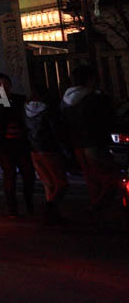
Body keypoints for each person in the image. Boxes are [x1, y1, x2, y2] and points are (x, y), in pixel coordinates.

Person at [60, 65, 122, 217]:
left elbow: (63, 125)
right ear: (91, 80)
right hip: (95, 144)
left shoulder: (65, 102)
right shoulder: (95, 99)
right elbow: (109, 121)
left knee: (92, 181)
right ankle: (97, 208)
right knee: (111, 179)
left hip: (77, 145)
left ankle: (99, 216)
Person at [0, 73, 35, 217]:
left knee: (28, 175)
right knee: (9, 176)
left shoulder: (20, 100)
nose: (3, 87)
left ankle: (29, 203)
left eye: (5, 83)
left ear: (10, 85)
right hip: (5, 147)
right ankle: (12, 207)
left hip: (22, 145)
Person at [25, 80, 68, 225]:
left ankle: (52, 215)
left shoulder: (26, 110)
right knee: (61, 183)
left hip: (34, 150)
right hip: (49, 149)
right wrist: (65, 150)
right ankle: (50, 209)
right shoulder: (48, 110)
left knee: (48, 184)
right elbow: (56, 130)